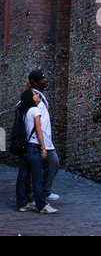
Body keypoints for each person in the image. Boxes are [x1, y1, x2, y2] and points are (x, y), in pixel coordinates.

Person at [16, 90, 57, 214]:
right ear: (31, 98)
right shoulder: (35, 110)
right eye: (35, 94)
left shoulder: (25, 111)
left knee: (22, 176)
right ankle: (42, 205)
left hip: (25, 147)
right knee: (37, 178)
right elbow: (39, 130)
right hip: (34, 147)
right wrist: (43, 148)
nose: (38, 96)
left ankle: (22, 204)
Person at [28, 70, 60, 201]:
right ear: (35, 82)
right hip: (39, 138)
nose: (45, 80)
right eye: (42, 78)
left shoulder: (40, 96)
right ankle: (39, 194)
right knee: (51, 163)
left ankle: (42, 192)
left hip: (45, 137)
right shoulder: (33, 96)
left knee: (49, 164)